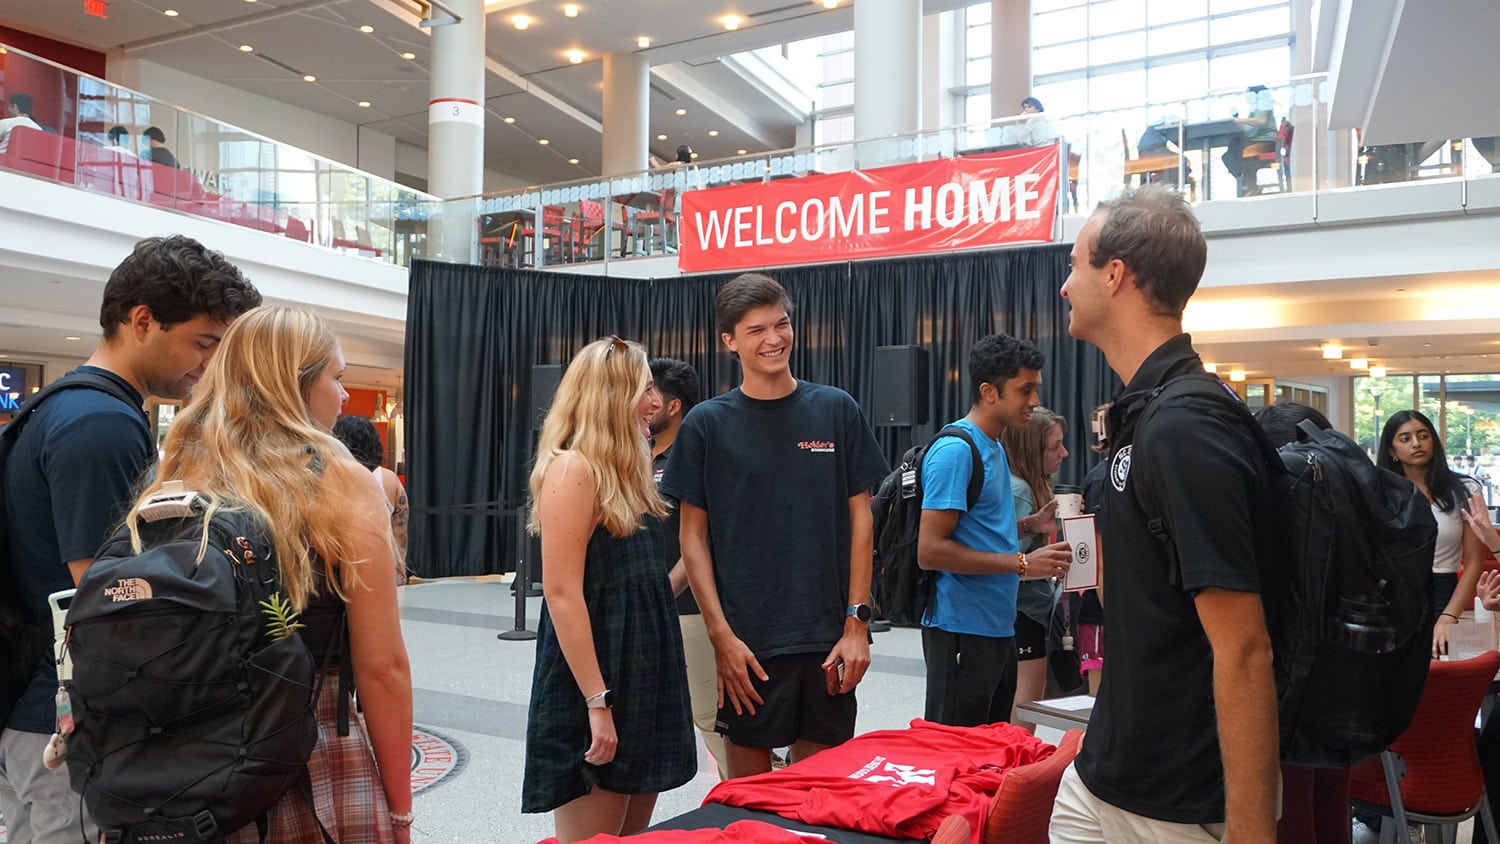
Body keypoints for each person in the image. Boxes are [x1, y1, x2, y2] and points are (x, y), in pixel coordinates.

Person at [0, 235, 260, 844]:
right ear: (142, 320)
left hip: (34, 708)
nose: (208, 365)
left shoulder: (56, 407)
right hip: (64, 721)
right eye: (203, 343)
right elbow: (111, 599)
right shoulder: (102, 425)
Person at [131, 307, 412, 844]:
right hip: (309, 746)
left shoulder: (171, 475)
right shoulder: (341, 482)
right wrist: (399, 812)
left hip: (182, 759)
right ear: (296, 384)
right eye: (338, 377)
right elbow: (382, 669)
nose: (345, 396)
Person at [1050, 184, 1278, 842]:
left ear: (1115, 275)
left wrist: (1251, 831)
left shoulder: (1186, 426)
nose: (1065, 286)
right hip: (1106, 776)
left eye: (1075, 265)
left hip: (1176, 805)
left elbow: (1245, 648)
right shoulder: (1150, 415)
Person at [661, 273, 888, 779]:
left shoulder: (835, 409)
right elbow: (692, 537)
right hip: (748, 641)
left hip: (828, 636)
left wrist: (857, 624)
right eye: (756, 329)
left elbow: (861, 520)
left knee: (818, 796)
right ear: (729, 341)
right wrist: (721, 637)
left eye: (781, 324)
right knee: (750, 798)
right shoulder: (707, 424)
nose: (773, 339)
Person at [522, 337, 695, 842]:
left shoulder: (628, 470)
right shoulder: (574, 469)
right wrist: (597, 702)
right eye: (644, 389)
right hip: (599, 673)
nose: (655, 402)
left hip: (641, 666)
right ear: (612, 397)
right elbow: (561, 595)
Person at [914, 333, 1071, 730]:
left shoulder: (995, 447)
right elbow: (930, 550)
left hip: (997, 627)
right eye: (1025, 390)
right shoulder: (956, 451)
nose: (1034, 401)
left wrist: (1028, 526)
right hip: (960, 630)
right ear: (988, 391)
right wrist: (1023, 563)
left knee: (988, 751)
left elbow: (975, 532)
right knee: (955, 755)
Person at [1254, 402, 1352, 844]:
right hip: (1345, 675)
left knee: (1290, 807)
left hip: (1292, 675)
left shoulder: (1286, 504)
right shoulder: (1352, 495)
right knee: (1330, 799)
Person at [648, 356, 728, 780]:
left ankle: (747, 801)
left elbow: (705, 539)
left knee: (710, 715)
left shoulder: (697, 455)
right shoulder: (638, 454)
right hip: (648, 609)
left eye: (649, 395)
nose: (640, 403)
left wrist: (666, 591)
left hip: (690, 609)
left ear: (674, 405)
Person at [1375, 409, 1484, 656]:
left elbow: (1475, 562)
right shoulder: (1379, 492)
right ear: (1392, 450)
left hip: (1444, 589)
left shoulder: (1464, 489)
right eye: (1405, 438)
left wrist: (1449, 615)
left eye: (1423, 435)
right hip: (1394, 594)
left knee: (1442, 673)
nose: (1416, 443)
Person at [1000, 406, 1073, 731]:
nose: (1064, 453)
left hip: (1020, 614)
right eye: (1054, 446)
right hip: (1023, 615)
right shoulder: (1020, 490)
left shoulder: (1018, 485)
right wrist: (1042, 564)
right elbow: (999, 564)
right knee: (1025, 711)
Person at [332, 414, 408, 583]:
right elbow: (400, 533)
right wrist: (400, 565)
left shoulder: (331, 479)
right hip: (385, 567)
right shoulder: (389, 479)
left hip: (345, 569)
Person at [1223, 85, 1277, 196]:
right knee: (1232, 152)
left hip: (1266, 144)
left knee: (1238, 153)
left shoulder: (1264, 105)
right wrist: (1239, 120)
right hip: (1259, 143)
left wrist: (1240, 120)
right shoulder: (1255, 109)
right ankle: (1247, 184)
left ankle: (1247, 184)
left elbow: (1262, 121)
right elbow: (1250, 128)